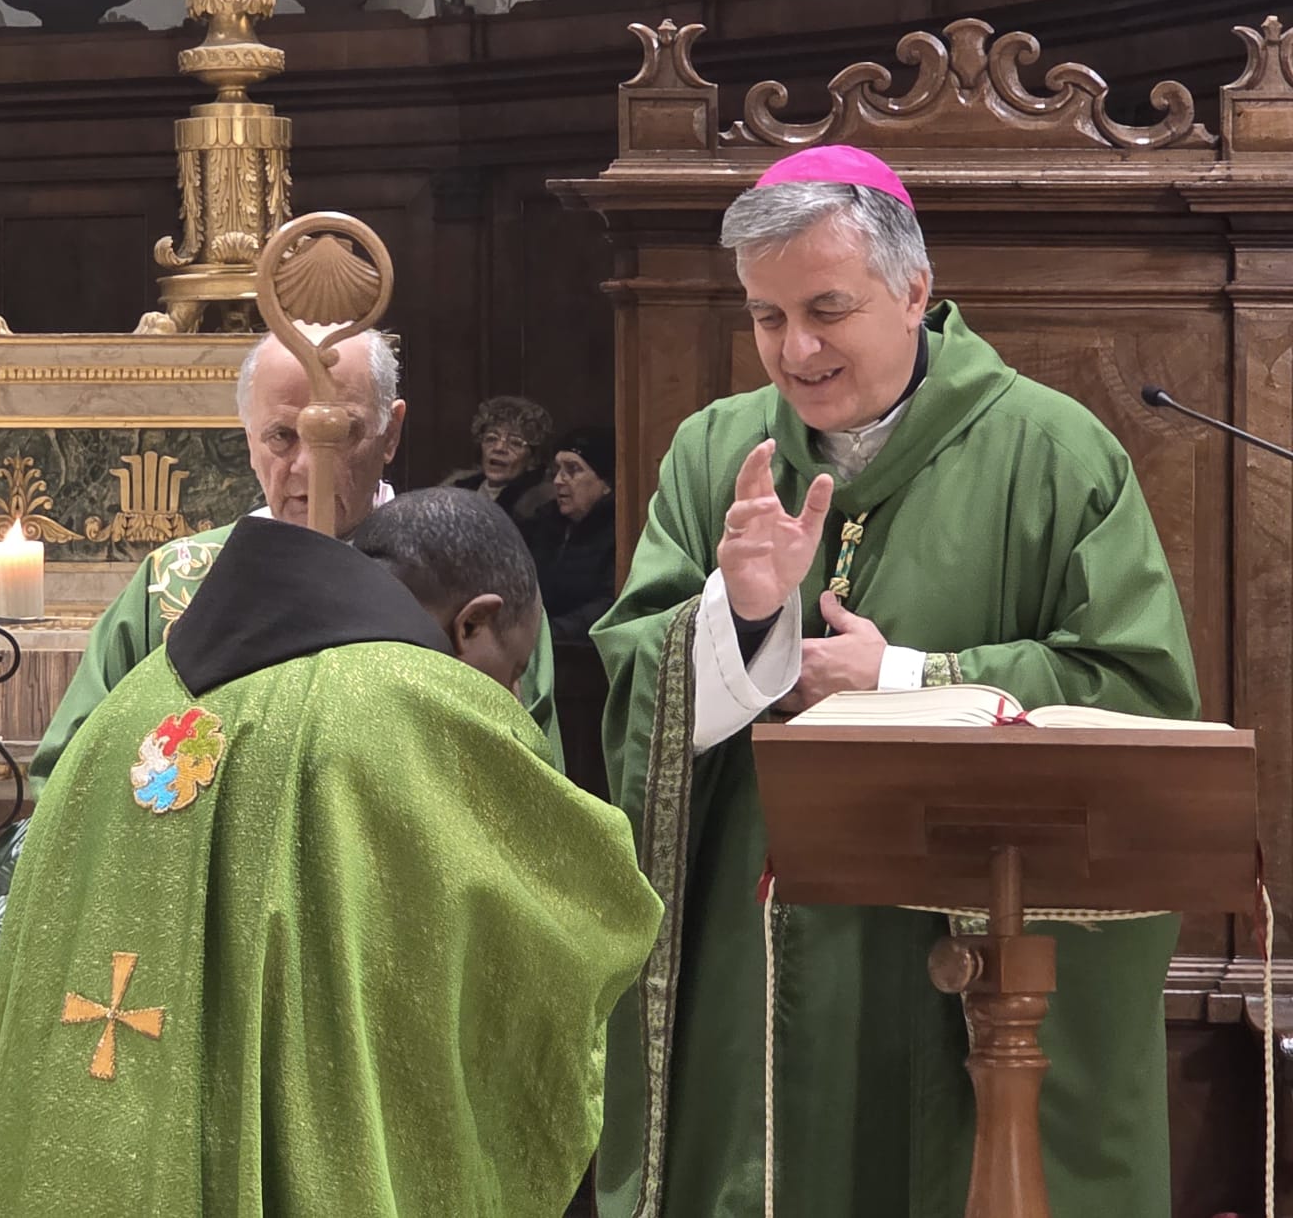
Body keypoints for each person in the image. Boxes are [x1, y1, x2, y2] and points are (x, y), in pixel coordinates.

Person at [591, 146, 1198, 1218]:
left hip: (957, 946)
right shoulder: (714, 454)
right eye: (767, 317)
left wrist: (906, 675)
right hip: (758, 943)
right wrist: (741, 620)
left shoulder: (1054, 453)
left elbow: (1136, 688)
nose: (796, 349)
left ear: (915, 291)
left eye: (827, 309)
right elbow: (636, 678)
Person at [0, 488, 663, 1217]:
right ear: (473, 622)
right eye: (514, 670)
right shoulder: (414, 702)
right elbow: (587, 912)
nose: (513, 696)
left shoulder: (130, 704)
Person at [29, 327, 563, 786]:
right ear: (248, 439)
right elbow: (71, 774)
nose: (309, 466)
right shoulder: (173, 583)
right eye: (282, 436)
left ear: (391, 433)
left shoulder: (473, 577)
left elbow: (535, 787)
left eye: (342, 433)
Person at [525, 426, 618, 648]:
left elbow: (609, 606)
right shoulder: (543, 523)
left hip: (583, 655)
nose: (558, 480)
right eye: (557, 470)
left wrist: (546, 633)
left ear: (606, 483)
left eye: (573, 469)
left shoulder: (619, 533)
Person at [445, 394, 555, 525]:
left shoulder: (538, 507)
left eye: (515, 443)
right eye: (491, 438)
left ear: (532, 458)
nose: (499, 448)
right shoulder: (455, 492)